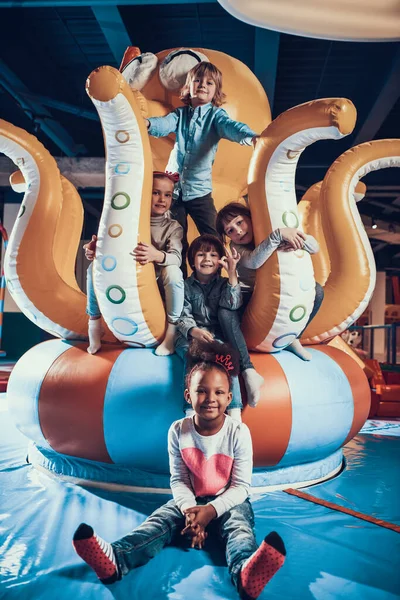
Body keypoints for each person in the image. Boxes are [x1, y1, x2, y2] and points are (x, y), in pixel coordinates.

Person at [72, 339, 286, 599]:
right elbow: (179, 479)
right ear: (188, 395)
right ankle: (117, 559)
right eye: (202, 391)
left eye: (219, 392)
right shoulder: (178, 430)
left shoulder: (238, 433)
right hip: (190, 501)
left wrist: (210, 511)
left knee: (238, 528)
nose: (210, 399)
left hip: (229, 501)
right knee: (158, 522)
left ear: (229, 398)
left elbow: (241, 487)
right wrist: (190, 512)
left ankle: (244, 572)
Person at [145, 61, 259, 274]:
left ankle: (216, 280)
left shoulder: (216, 116)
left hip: (200, 192)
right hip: (174, 192)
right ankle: (178, 281)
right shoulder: (180, 115)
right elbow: (165, 124)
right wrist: (149, 125)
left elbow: (232, 128)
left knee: (214, 236)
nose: (202, 85)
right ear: (188, 86)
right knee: (175, 239)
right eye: (197, 80)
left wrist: (250, 137)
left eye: (209, 82)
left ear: (216, 90)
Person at [84, 171, 184, 356]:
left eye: (167, 195)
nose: (162, 199)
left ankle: (172, 332)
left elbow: (176, 258)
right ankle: (94, 323)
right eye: (156, 192)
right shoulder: (129, 220)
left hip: (155, 284)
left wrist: (157, 255)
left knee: (173, 272)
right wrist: (96, 251)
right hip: (128, 276)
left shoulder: (172, 227)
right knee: (93, 268)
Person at [216, 202, 324, 361]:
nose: (238, 231)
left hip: (278, 291)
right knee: (225, 312)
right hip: (250, 297)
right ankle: (243, 358)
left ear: (250, 217)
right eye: (230, 230)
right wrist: (277, 236)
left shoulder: (266, 229)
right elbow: (253, 262)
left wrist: (296, 239)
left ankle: (294, 337)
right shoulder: (235, 247)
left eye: (240, 222)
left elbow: (315, 248)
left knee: (317, 290)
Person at [175, 234, 264, 417]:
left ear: (220, 260)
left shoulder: (224, 284)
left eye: (213, 255)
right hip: (191, 336)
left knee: (226, 356)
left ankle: (235, 412)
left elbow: (233, 305)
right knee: (192, 355)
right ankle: (190, 411)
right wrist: (194, 331)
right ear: (192, 260)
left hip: (217, 335)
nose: (207, 259)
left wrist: (232, 273)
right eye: (201, 255)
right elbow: (182, 315)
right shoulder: (184, 286)